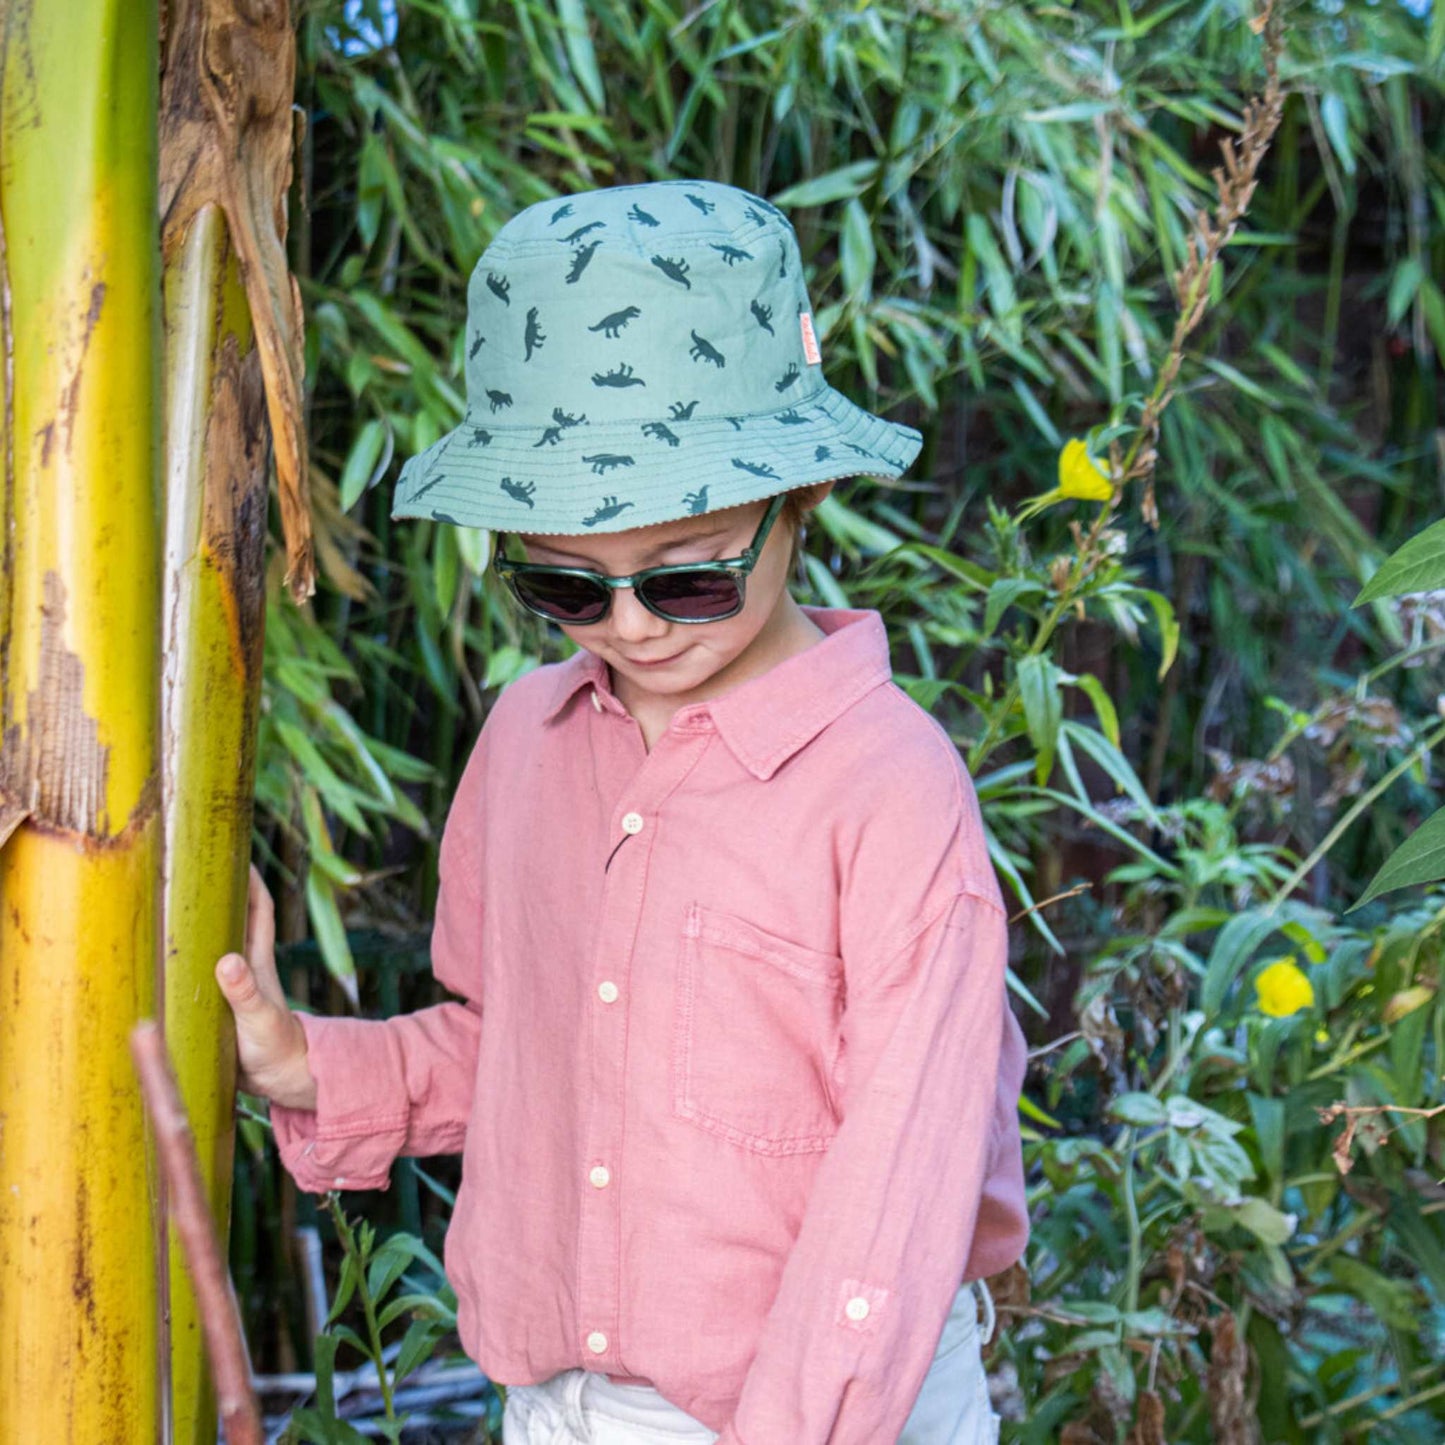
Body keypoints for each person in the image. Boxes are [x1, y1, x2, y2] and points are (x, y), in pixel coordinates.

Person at [216, 178, 1028, 1444]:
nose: (633, 625)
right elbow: (519, 1053)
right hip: (561, 1406)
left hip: (825, 1406)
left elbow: (898, 1190)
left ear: (797, 496)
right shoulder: (525, 748)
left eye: (689, 575)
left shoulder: (890, 788)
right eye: (567, 583)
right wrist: (303, 1061)